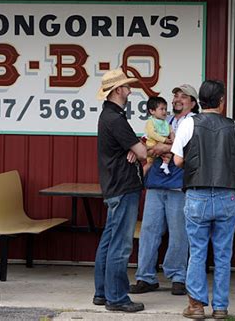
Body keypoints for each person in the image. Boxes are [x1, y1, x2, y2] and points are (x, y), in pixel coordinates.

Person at [171, 80, 235, 319]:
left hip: (198, 194)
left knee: (197, 252)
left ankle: (196, 306)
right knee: (223, 253)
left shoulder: (188, 124)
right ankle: (220, 307)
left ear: (200, 101)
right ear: (222, 101)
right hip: (227, 194)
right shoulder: (233, 126)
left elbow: (176, 161)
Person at [129, 84, 199, 296]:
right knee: (149, 230)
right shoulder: (162, 121)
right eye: (175, 95)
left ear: (193, 102)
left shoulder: (195, 122)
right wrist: (139, 150)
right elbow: (147, 141)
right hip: (155, 182)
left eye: (183, 96)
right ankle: (145, 277)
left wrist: (165, 148)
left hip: (179, 185)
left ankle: (178, 276)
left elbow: (193, 147)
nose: (177, 99)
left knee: (179, 232)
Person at [93, 68, 147, 313]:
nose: (130, 90)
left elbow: (137, 150)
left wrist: (136, 149)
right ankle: (117, 298)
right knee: (121, 245)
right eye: (126, 86)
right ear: (117, 90)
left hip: (114, 186)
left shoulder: (108, 116)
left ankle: (102, 292)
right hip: (124, 186)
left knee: (109, 240)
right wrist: (139, 149)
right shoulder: (116, 119)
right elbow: (143, 153)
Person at [144, 97, 174, 175]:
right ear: (152, 111)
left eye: (165, 109)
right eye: (161, 109)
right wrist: (164, 140)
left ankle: (165, 165)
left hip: (162, 147)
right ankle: (140, 180)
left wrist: (173, 140)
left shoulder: (166, 123)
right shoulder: (150, 122)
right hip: (152, 145)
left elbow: (171, 132)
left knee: (168, 155)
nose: (164, 112)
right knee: (148, 165)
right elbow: (152, 134)